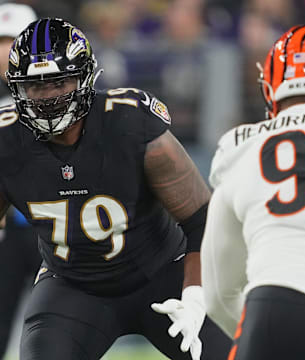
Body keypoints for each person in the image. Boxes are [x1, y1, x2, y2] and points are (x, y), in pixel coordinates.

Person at [1, 17, 231, 360]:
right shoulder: (7, 142)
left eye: (59, 82)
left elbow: (201, 219)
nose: (47, 97)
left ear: (85, 78)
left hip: (162, 271)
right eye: (36, 86)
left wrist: (196, 294)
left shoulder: (130, 123)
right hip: (72, 285)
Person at [201, 23, 305, 360]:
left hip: (272, 310)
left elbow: (217, 293)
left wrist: (259, 334)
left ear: (270, 87)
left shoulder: (240, 145)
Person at [0, 4, 41, 359]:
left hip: (54, 225)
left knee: (66, 326)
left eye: (13, 40)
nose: (5, 50)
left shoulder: (58, 88)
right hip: (6, 231)